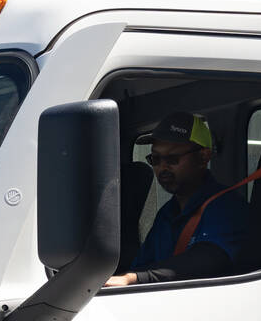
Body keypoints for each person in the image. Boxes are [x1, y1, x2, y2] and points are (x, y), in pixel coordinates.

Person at [105, 113, 247, 286]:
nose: (162, 167)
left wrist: (133, 279)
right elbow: (141, 265)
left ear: (203, 157)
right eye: (155, 159)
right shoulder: (165, 214)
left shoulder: (226, 207)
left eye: (172, 159)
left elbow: (209, 260)